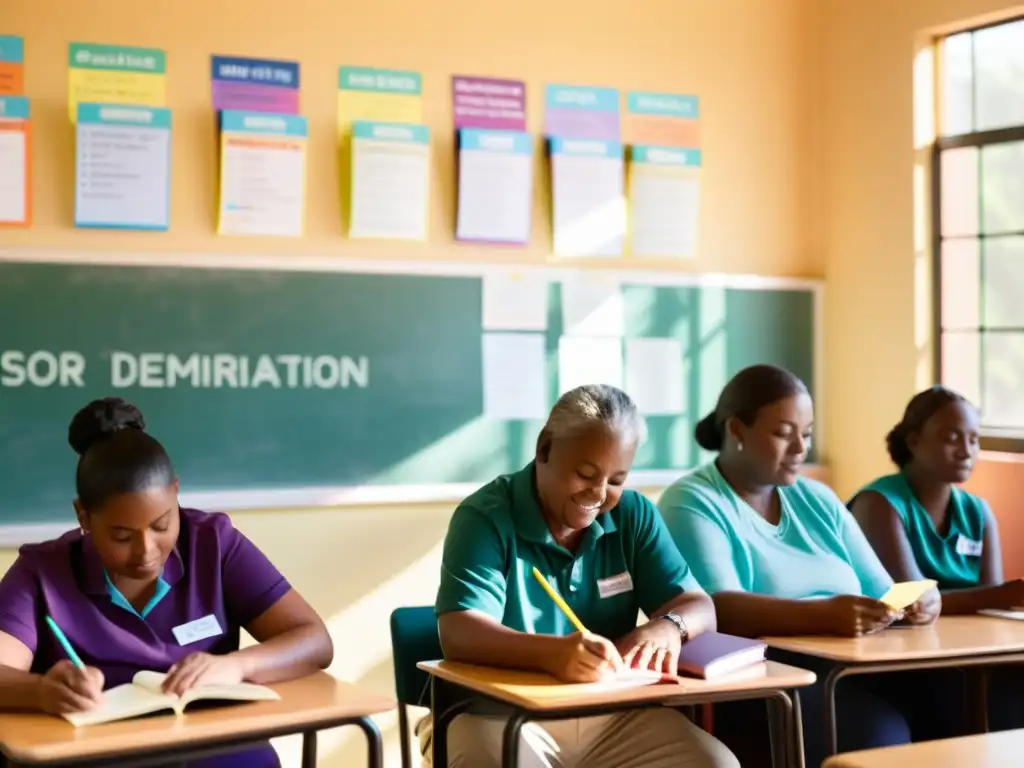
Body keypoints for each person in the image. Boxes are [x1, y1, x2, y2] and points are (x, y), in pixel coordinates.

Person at [0, 398, 334, 767]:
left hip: (215, 745)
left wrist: (239, 666)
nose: (146, 550)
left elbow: (314, 640)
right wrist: (43, 692)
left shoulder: (214, 543)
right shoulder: (44, 570)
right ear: (84, 515)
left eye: (161, 525)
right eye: (122, 536)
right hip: (99, 753)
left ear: (176, 493)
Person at [419, 384, 739, 768]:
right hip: (494, 715)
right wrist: (553, 654)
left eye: (617, 479)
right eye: (586, 473)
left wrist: (668, 627)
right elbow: (459, 632)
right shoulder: (485, 517)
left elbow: (699, 606)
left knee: (715, 764)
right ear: (545, 449)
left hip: (610, 716)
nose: (600, 494)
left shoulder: (633, 516)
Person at [657, 365, 961, 767]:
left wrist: (918, 600)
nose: (801, 447)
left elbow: (881, 590)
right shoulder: (692, 501)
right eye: (784, 433)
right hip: (768, 677)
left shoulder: (818, 498)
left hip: (856, 663)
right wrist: (824, 616)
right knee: (879, 733)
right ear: (736, 431)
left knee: (969, 702)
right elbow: (718, 609)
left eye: (807, 433)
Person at [849, 385, 1024, 731]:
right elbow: (911, 602)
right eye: (951, 438)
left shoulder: (977, 511)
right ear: (913, 441)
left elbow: (989, 610)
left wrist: (996, 597)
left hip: (960, 654)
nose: (966, 451)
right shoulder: (880, 503)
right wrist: (1001, 595)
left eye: (974, 440)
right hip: (897, 660)